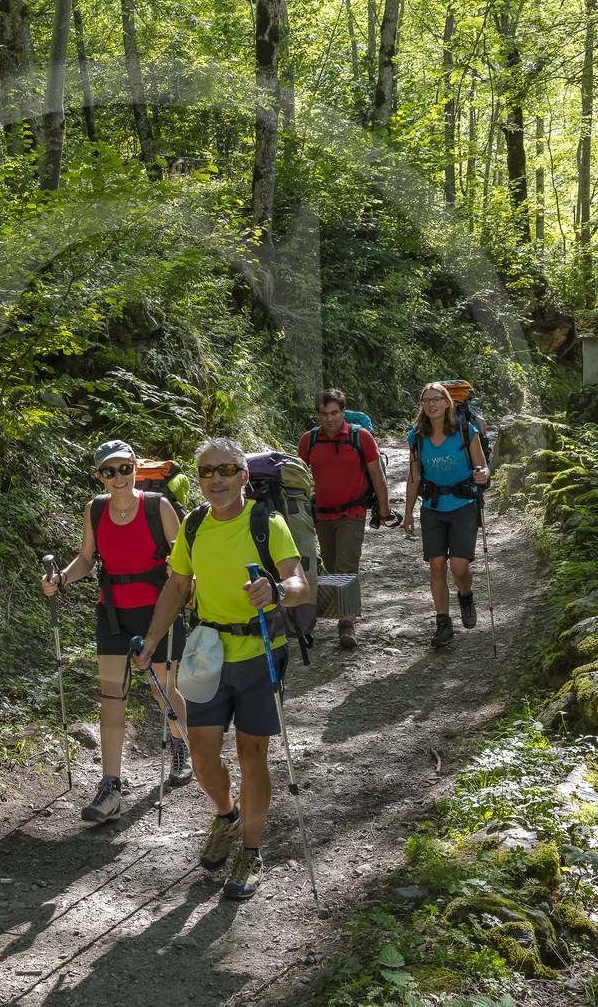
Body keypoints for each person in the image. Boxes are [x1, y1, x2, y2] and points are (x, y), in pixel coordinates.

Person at [133, 437, 310, 901]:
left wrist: (276, 589)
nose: (216, 479)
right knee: (202, 756)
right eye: (207, 471)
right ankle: (226, 814)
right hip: (207, 651)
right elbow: (176, 586)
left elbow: (300, 584)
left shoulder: (266, 523)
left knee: (254, 755)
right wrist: (152, 640)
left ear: (243, 476)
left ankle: (251, 851)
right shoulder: (193, 527)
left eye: (226, 470)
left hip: (260, 653)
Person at [41, 440, 190, 824]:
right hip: (113, 614)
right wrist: (62, 578)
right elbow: (87, 559)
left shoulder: (159, 507)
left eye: (125, 468)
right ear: (99, 476)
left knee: (162, 688)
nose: (118, 477)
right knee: (111, 697)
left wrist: (182, 576)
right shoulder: (95, 509)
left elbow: (184, 562)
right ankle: (111, 786)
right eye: (109, 471)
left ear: (136, 468)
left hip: (158, 611)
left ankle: (179, 741)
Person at [297, 388, 391, 648]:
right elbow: (299, 478)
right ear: (318, 414)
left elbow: (376, 476)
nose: (329, 419)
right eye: (324, 414)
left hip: (353, 513)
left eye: (335, 413)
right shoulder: (309, 440)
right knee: (331, 567)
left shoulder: (360, 437)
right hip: (322, 515)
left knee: (346, 568)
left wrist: (384, 509)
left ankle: (346, 624)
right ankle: (341, 613)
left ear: (343, 412)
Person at [402, 383, 490, 648]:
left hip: (463, 505)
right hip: (433, 507)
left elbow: (483, 468)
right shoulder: (416, 436)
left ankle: (465, 594)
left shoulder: (465, 431)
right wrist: (408, 513)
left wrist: (481, 475)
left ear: (447, 403)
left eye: (437, 399)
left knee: (459, 568)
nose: (431, 405)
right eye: (426, 400)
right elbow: (414, 476)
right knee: (437, 565)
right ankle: (443, 623)